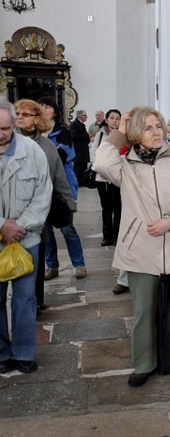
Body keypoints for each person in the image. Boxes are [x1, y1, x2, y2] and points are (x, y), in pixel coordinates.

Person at [93, 106, 170, 387]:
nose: (156, 133)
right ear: (135, 135)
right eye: (147, 128)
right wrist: (119, 131)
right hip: (141, 247)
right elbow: (101, 163)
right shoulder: (126, 165)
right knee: (143, 310)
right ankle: (144, 363)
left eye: (158, 126)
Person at [0, 98, 53, 374]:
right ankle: (1, 352)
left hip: (26, 238)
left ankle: (23, 352)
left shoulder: (32, 151)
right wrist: (2, 226)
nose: (1, 134)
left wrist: (19, 226)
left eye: (6, 128)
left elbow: (43, 193)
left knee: (25, 298)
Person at [14, 99, 76, 312]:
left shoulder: (46, 146)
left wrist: (69, 203)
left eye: (26, 113)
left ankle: (35, 300)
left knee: (35, 257)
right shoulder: (7, 142)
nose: (20, 116)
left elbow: (58, 177)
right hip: (9, 213)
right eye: (17, 112)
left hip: (37, 213)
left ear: (38, 119)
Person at [37, 96, 87, 280]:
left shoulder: (62, 132)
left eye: (47, 106)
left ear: (55, 111)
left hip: (60, 186)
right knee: (46, 230)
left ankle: (79, 264)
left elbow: (61, 156)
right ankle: (52, 266)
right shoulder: (33, 133)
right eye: (40, 106)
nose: (43, 109)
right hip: (40, 189)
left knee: (67, 228)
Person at [90, 109, 123, 248]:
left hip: (117, 177)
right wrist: (99, 167)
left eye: (117, 118)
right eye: (112, 118)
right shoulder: (100, 134)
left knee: (118, 207)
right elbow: (94, 152)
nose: (115, 120)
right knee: (106, 207)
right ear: (107, 120)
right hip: (102, 177)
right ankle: (107, 236)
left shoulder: (123, 135)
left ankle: (117, 235)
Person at [70, 109, 90, 184]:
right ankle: (76, 182)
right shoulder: (74, 124)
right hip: (78, 150)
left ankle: (82, 181)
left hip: (83, 150)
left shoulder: (81, 124)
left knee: (83, 167)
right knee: (78, 167)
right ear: (80, 116)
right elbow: (74, 136)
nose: (86, 117)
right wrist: (87, 135)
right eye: (85, 115)